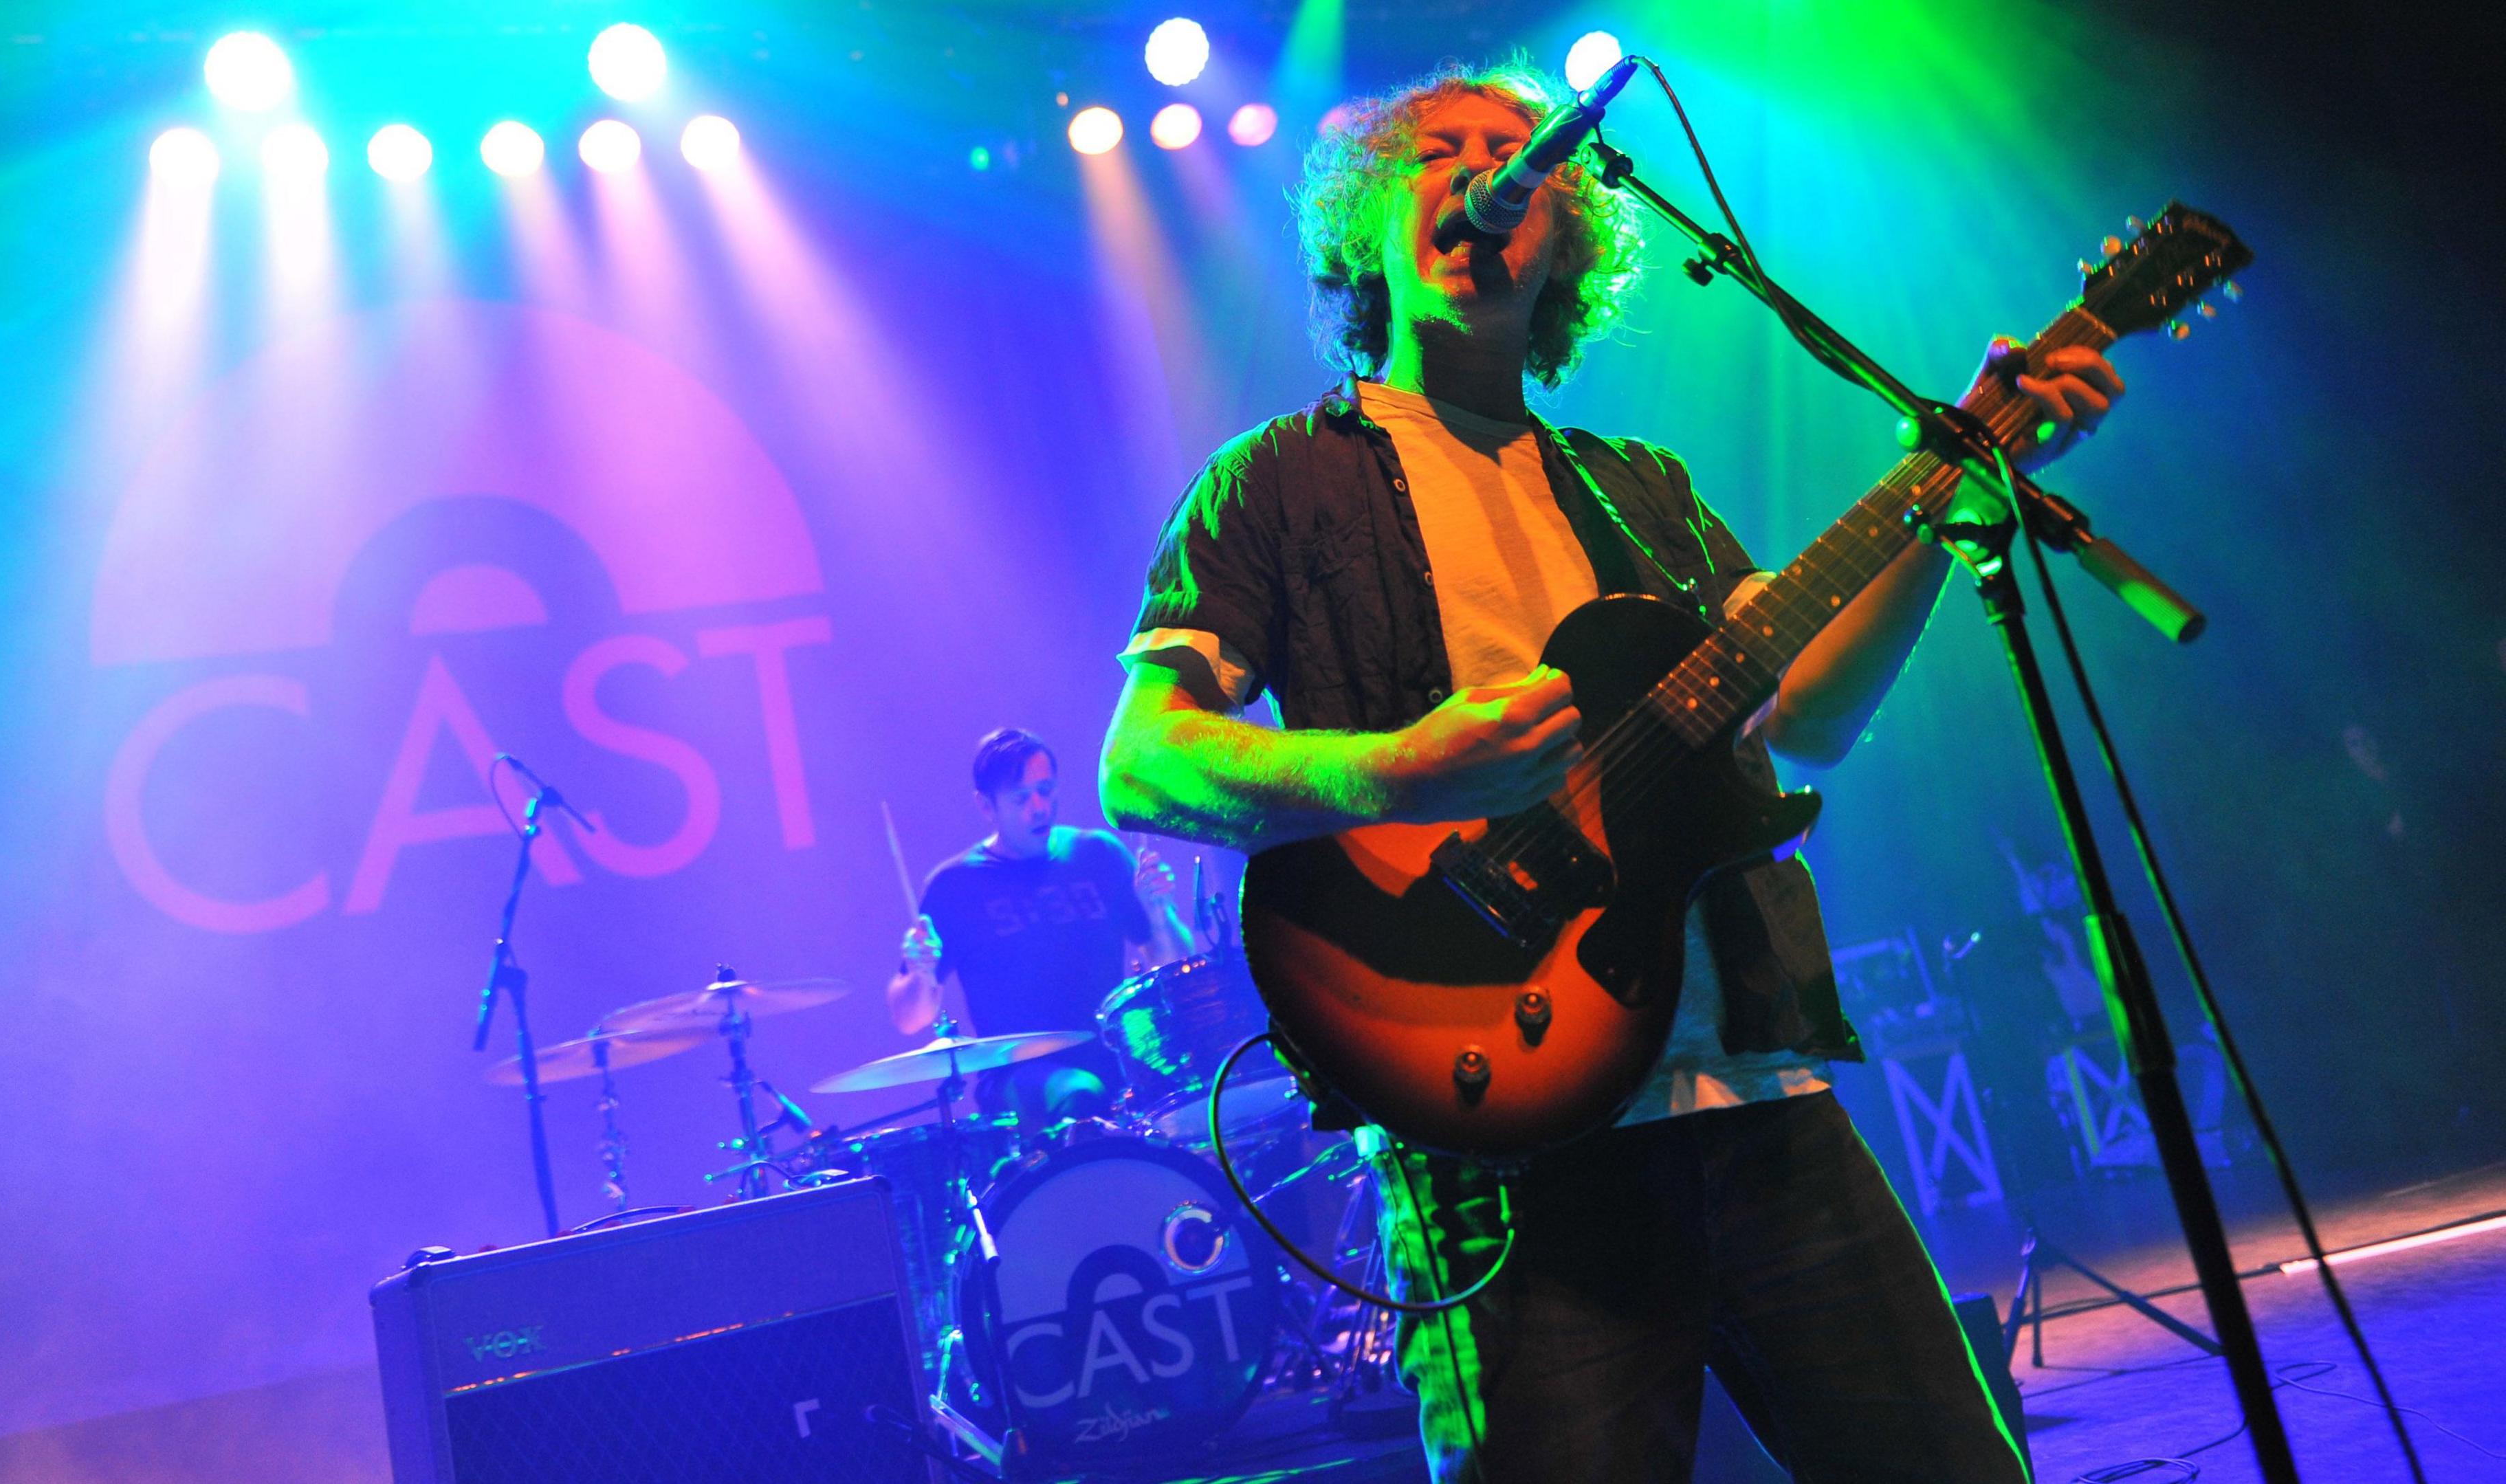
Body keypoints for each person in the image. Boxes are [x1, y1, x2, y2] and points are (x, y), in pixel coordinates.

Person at [1099, 60, 2124, 1483]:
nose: (1489, 175)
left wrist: (1952, 492)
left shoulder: (1637, 482)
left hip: (1758, 1101)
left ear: (1569, 234)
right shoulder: (1277, 480)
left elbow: (1809, 711)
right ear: (1366, 227)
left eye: (1528, 156)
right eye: (1440, 153)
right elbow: (1145, 765)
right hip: (1499, 1141)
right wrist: (1393, 768)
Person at [888, 727, 1196, 1126]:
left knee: (1198, 1087)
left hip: (1115, 1058)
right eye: (1021, 798)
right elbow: (909, 1019)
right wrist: (919, 972)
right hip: (1018, 1076)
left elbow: (1171, 967)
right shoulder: (955, 886)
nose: (1040, 807)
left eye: (1046, 791)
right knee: (1081, 1093)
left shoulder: (1098, 855)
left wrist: (1161, 913)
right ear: (986, 807)